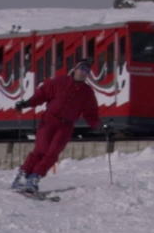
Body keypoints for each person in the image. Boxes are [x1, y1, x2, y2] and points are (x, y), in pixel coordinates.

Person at [11, 59, 108, 193]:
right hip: (50, 120)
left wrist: (99, 125)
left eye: (87, 71)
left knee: (53, 153)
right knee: (41, 150)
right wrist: (27, 104)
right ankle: (22, 176)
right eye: (82, 69)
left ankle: (34, 178)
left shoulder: (87, 92)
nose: (84, 73)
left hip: (66, 125)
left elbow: (90, 113)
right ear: (75, 69)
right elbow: (42, 94)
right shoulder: (59, 82)